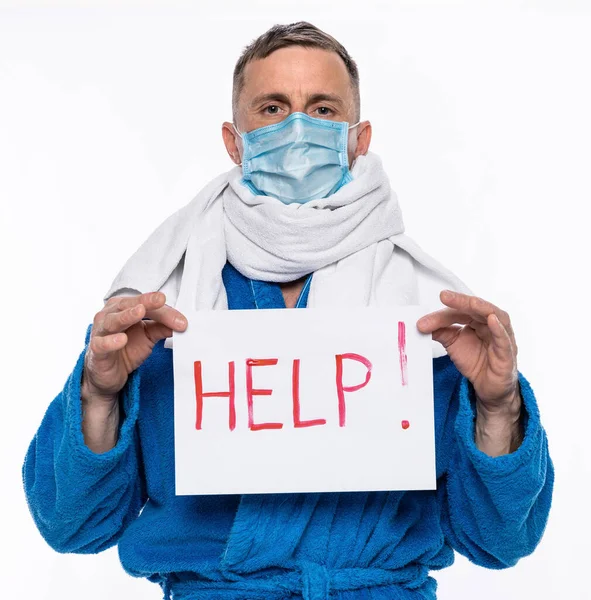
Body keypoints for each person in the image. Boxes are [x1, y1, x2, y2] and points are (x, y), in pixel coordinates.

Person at [22, 21, 553, 600]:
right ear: (234, 140)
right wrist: (99, 394)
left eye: (323, 109)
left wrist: (498, 407)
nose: (298, 129)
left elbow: (502, 540)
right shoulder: (161, 305)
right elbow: (73, 525)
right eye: (273, 108)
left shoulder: (422, 313)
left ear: (358, 138)